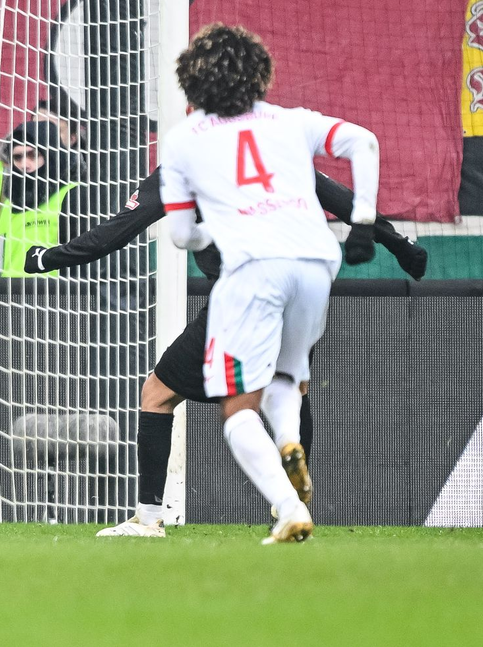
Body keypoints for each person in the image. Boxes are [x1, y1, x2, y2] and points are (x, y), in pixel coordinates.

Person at [25, 167, 427, 537]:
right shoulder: (273, 148)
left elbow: (115, 232)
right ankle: (294, 498)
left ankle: (148, 519)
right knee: (289, 390)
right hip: (302, 289)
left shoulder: (183, 165)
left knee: (158, 394)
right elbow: (341, 198)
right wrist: (399, 243)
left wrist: (48, 257)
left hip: (242, 296)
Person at [156, 23, 381, 545]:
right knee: (287, 375)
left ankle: (288, 507)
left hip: (255, 267)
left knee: (237, 408)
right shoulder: (291, 120)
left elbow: (182, 235)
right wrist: (363, 221)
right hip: (317, 263)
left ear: (191, 82)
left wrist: (215, 230)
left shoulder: (184, 139)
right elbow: (364, 142)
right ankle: (288, 439)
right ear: (260, 74)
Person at [0, 120, 84, 277]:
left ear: (50, 155)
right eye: (18, 157)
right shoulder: (7, 198)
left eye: (33, 155)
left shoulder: (72, 195)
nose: (25, 164)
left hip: (51, 290)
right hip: (5, 289)